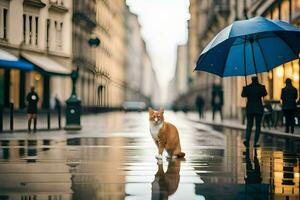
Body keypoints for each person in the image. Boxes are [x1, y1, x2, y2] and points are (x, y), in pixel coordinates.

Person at [241, 76, 267, 148]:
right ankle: (255, 142)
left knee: (249, 125)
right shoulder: (261, 87)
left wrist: (246, 88)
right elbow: (265, 94)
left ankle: (247, 140)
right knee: (258, 126)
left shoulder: (248, 87)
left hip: (250, 109)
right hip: (258, 108)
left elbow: (243, 95)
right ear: (257, 80)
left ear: (251, 80)